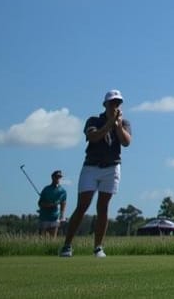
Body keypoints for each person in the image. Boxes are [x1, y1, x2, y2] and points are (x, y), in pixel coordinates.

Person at [59, 90, 131, 258]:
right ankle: (67, 245)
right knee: (83, 205)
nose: (115, 106)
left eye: (118, 103)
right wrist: (109, 123)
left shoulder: (124, 122)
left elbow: (126, 142)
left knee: (103, 207)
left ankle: (98, 247)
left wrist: (118, 125)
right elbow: (93, 137)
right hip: (91, 167)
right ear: (105, 104)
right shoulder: (94, 120)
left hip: (112, 167)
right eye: (112, 103)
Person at [37, 170, 67, 237]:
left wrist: (62, 215)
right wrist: (47, 205)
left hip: (54, 217)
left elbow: (63, 203)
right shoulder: (46, 189)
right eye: (56, 177)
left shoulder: (63, 191)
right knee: (42, 238)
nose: (58, 179)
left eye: (59, 177)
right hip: (44, 217)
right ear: (52, 177)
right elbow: (40, 203)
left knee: (53, 239)